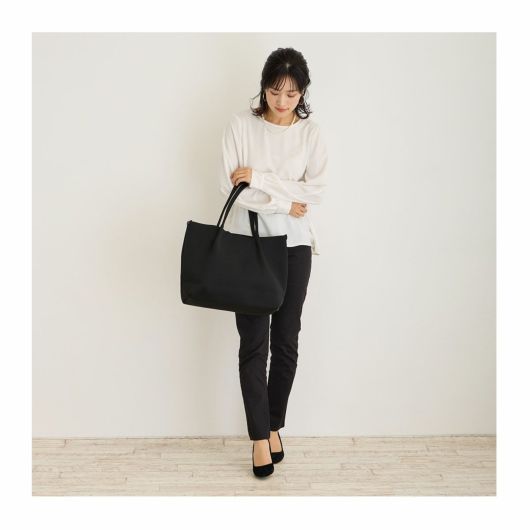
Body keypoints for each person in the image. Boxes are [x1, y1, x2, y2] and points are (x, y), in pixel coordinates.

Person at [218, 47, 328, 477]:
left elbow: (315, 192)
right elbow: (230, 188)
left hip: (295, 247)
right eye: (274, 91)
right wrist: (286, 200)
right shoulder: (240, 127)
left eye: (291, 94)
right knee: (253, 345)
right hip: (248, 245)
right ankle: (259, 439)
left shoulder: (310, 134)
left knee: (286, 343)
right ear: (263, 87)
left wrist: (261, 180)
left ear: (303, 93)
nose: (282, 102)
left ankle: (273, 424)